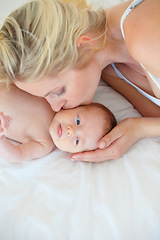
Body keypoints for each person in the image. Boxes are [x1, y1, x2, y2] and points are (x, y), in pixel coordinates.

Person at [0, 0, 160, 163]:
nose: (55, 107)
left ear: (84, 45)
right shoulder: (108, 69)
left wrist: (140, 128)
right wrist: (136, 128)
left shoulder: (144, 37)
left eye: (58, 91)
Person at [0, 84, 116, 162]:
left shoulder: (44, 144)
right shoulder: (52, 98)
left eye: (77, 140)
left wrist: (1, 138)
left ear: (74, 152)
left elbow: (17, 155)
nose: (71, 130)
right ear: (74, 106)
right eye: (78, 121)